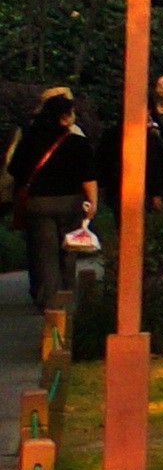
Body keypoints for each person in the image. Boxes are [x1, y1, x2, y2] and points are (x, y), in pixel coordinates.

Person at [8, 88, 100, 314]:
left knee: (43, 252)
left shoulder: (30, 139)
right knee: (68, 248)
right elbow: (88, 177)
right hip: (70, 203)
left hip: (38, 204)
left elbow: (14, 169)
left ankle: (48, 300)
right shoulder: (76, 142)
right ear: (64, 117)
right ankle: (67, 294)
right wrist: (92, 203)